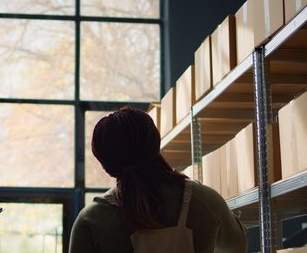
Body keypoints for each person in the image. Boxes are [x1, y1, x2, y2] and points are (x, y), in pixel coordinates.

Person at [69, 107, 248, 253]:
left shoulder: (92, 219)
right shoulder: (205, 200)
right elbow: (237, 247)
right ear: (155, 142)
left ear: (105, 162)